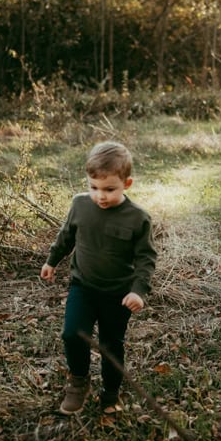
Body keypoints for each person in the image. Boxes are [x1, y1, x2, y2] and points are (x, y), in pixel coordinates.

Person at [39, 141, 158, 415]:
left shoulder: (138, 218)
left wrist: (139, 291)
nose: (100, 196)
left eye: (109, 189)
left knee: (111, 344)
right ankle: (78, 382)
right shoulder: (81, 205)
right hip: (84, 287)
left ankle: (111, 392)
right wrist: (52, 260)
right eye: (94, 187)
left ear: (127, 183)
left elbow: (145, 259)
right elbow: (66, 235)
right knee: (72, 334)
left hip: (118, 294)